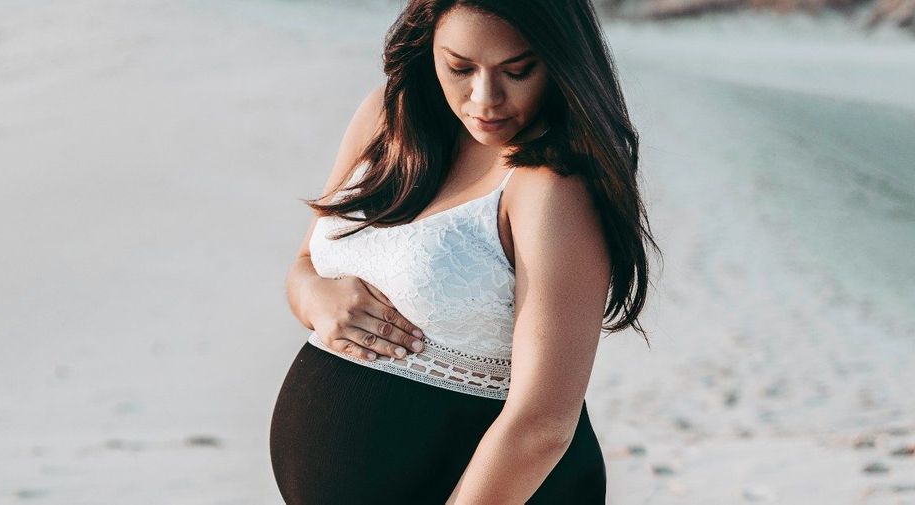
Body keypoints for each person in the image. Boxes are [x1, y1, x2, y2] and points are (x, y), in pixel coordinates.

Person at [269, 0, 660, 503]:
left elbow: (542, 423)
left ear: (561, 60)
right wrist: (313, 298)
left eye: (517, 71)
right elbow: (305, 266)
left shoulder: (550, 185)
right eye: (459, 67)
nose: (485, 98)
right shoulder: (388, 118)